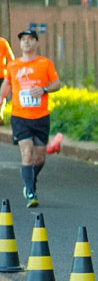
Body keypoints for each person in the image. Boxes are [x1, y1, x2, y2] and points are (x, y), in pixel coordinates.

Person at [0, 30, 61, 208]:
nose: (26, 43)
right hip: (20, 117)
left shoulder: (45, 64)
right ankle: (30, 192)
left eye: (30, 40)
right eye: (23, 40)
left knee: (39, 158)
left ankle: (31, 181)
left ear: (36, 44)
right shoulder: (14, 66)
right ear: (20, 44)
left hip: (41, 117)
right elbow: (6, 86)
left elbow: (57, 84)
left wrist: (44, 89)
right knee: (26, 153)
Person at [0, 34, 15, 122]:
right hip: (2, 74)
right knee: (1, 95)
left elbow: (11, 58)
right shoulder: (3, 42)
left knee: (2, 95)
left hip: (2, 74)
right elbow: (12, 59)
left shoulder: (3, 42)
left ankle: (0, 112)